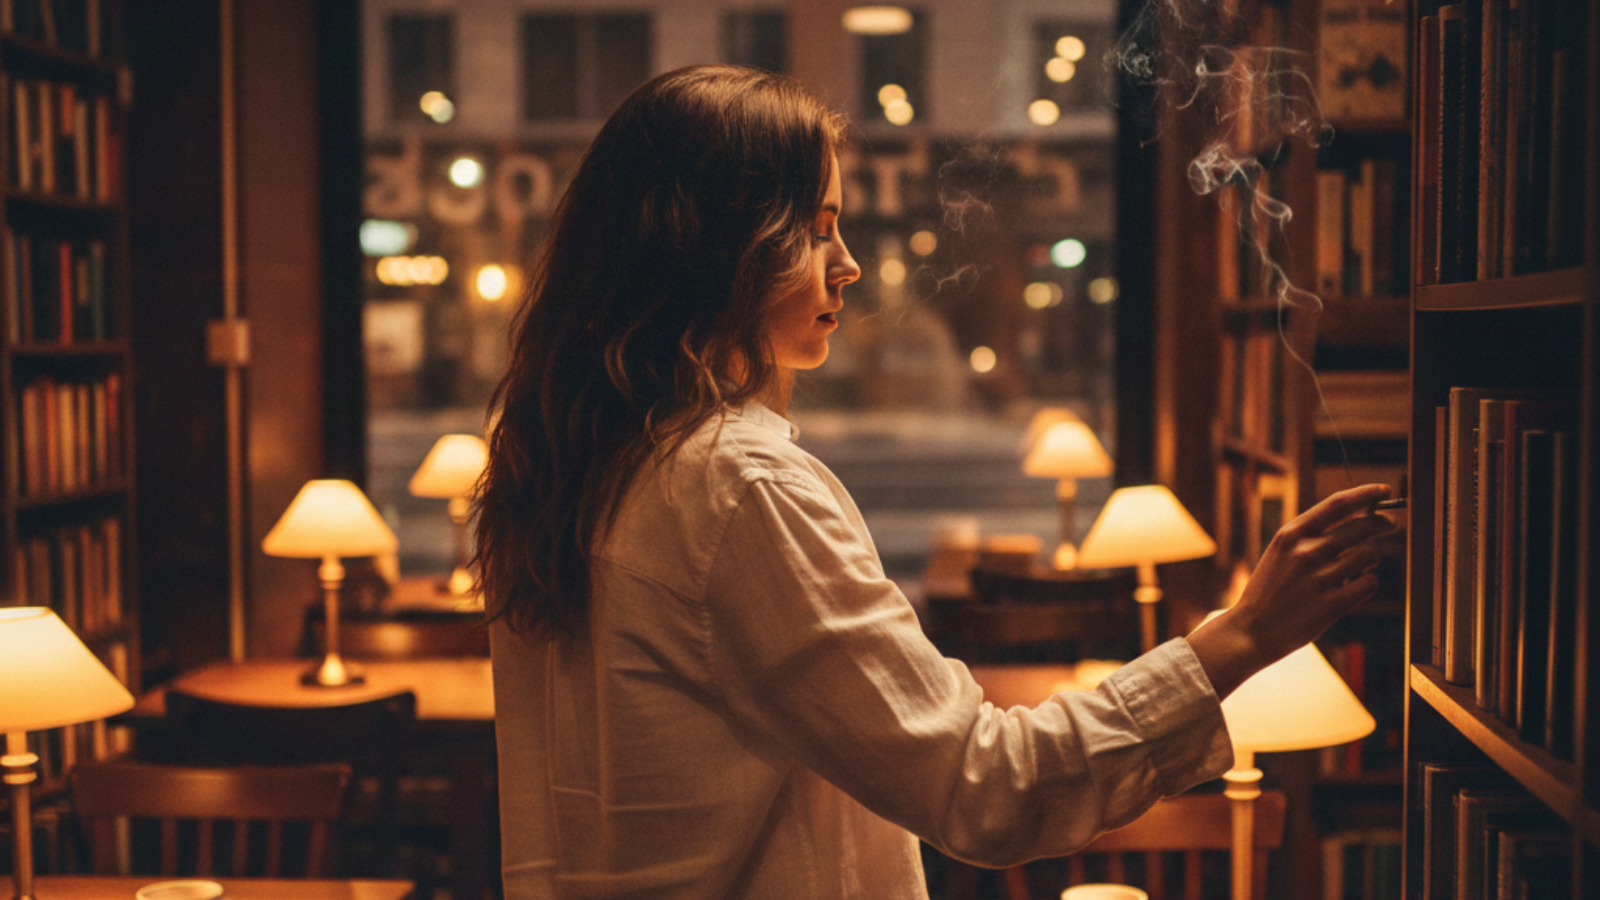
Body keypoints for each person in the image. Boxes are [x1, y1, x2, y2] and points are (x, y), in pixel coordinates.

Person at [474, 64, 1394, 900]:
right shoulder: (738, 487)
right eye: (817, 230)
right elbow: (987, 790)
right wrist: (1244, 635)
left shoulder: (580, 468)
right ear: (721, 250)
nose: (850, 265)